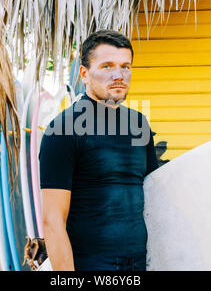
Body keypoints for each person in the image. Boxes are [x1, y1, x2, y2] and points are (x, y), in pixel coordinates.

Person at [39, 30, 158, 271]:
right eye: (107, 66)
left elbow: (153, 199)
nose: (119, 75)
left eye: (126, 66)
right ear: (84, 74)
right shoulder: (62, 130)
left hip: (138, 265)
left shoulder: (138, 125)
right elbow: (52, 222)